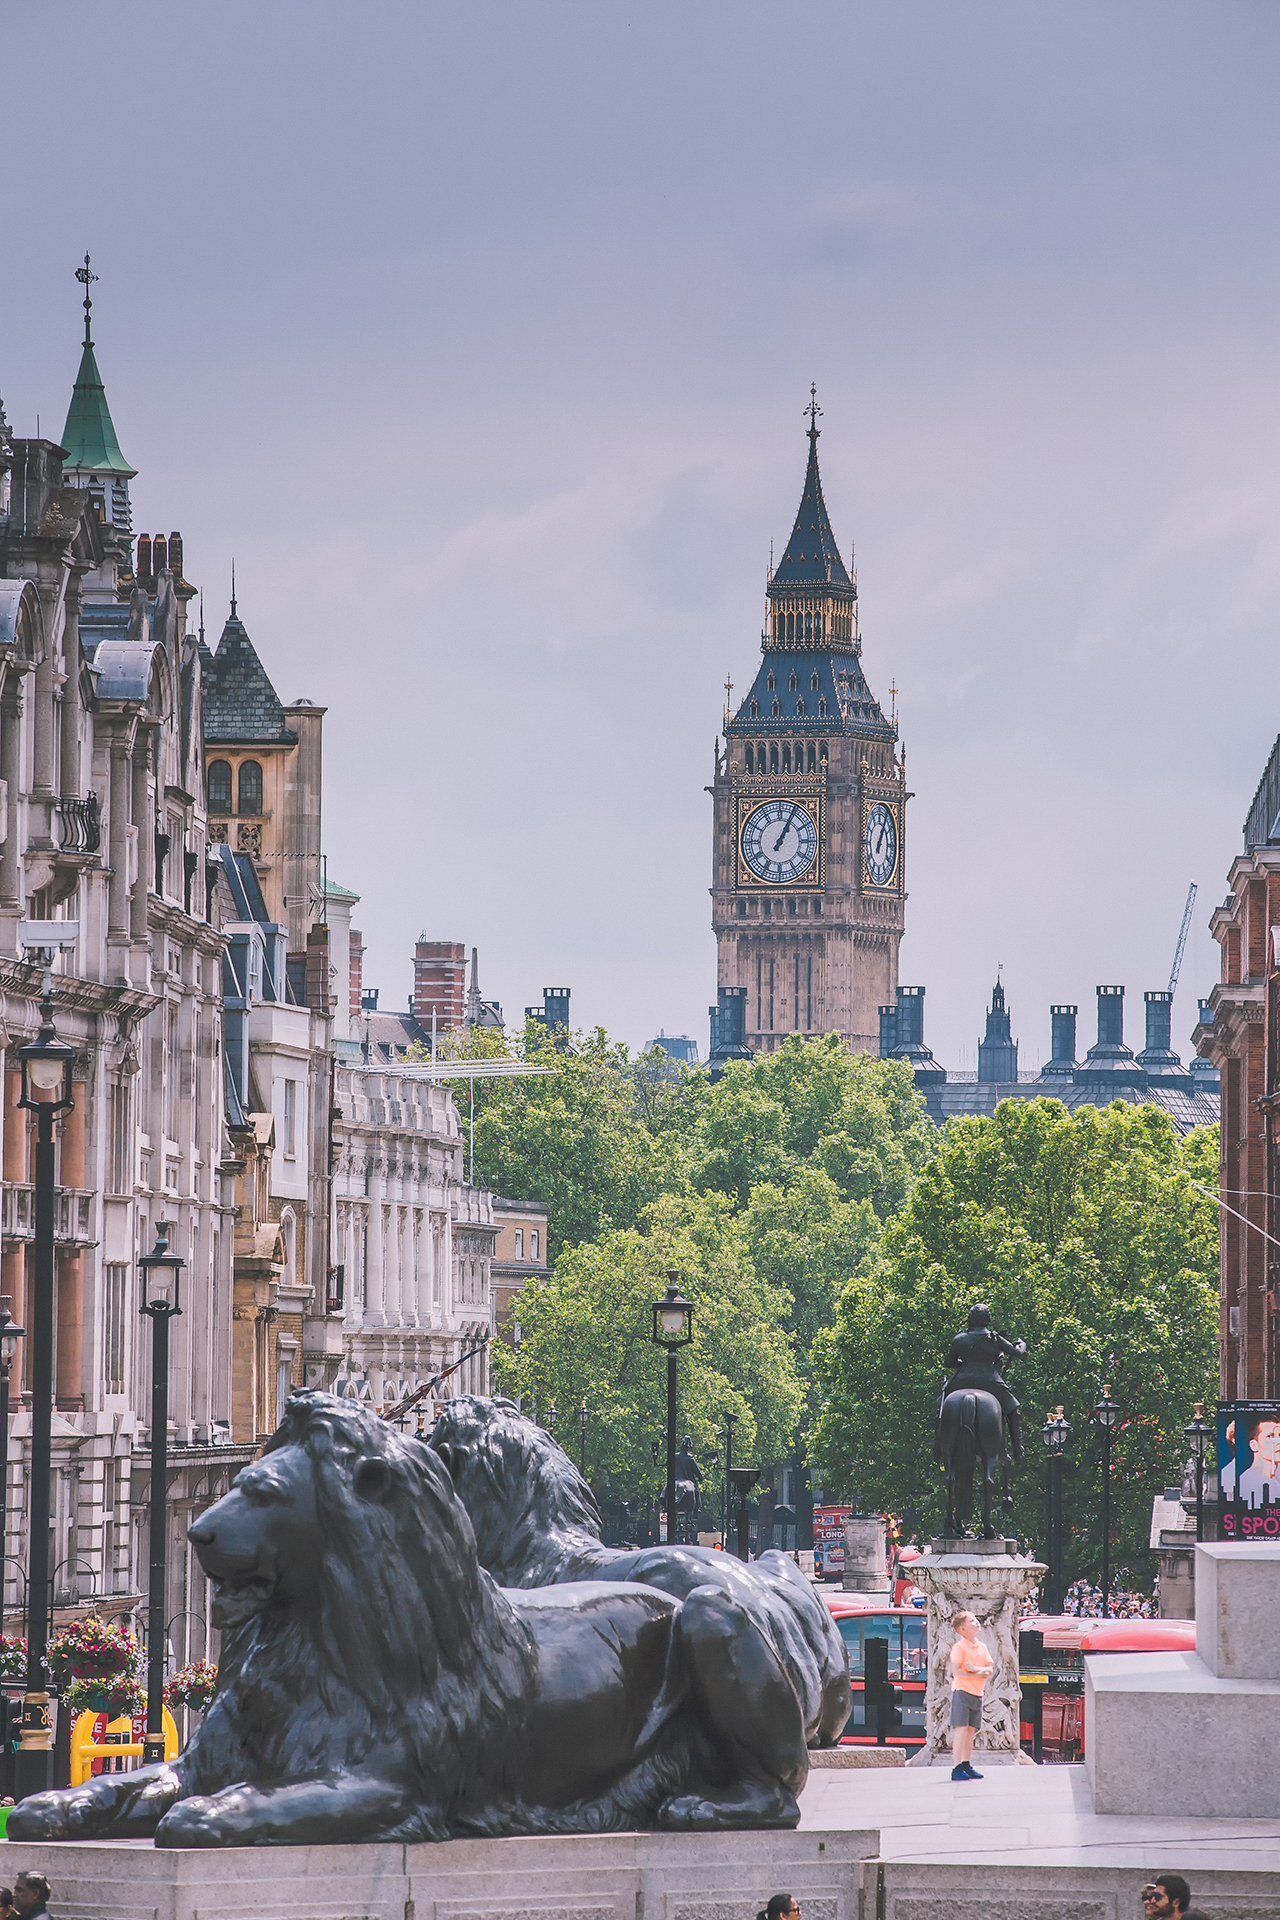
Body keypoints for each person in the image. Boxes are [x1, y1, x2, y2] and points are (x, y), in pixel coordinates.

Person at [940, 1304, 1027, 1461]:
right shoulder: (995, 1339)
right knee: (1013, 1410)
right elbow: (1017, 1352)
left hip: (961, 1381)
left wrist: (962, 1362)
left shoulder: (959, 1339)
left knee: (941, 1407)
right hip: (990, 1381)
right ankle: (1017, 1451)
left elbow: (948, 1363)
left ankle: (938, 1447)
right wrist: (1021, 1343)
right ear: (988, 1319)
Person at [948, 1608, 993, 1781]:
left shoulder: (982, 1646)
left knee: (970, 1731)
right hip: (962, 1691)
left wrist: (976, 1670)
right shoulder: (959, 1647)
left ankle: (966, 1763)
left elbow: (989, 1669)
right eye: (972, 1621)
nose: (977, 1623)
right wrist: (978, 1673)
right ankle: (957, 1766)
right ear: (962, 1629)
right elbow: (957, 1672)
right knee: (961, 1729)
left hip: (977, 1691)